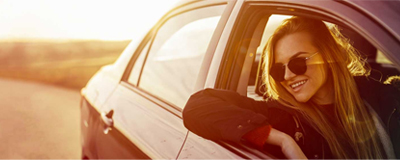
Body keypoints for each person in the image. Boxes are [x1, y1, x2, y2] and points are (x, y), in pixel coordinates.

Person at [182, 16, 400, 159]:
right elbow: (197, 107)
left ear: (328, 55)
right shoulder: (284, 119)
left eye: (298, 62)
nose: (287, 76)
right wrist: (284, 141)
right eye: (278, 70)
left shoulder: (383, 95)